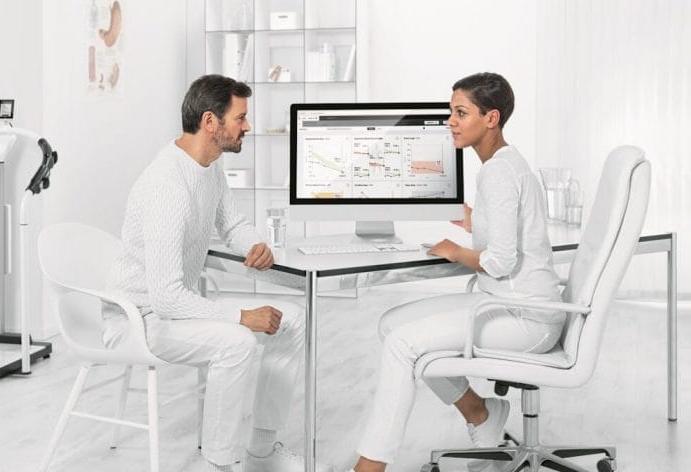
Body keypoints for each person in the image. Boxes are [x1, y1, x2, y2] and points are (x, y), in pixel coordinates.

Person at [103, 74, 331, 472]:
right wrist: (242, 318)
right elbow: (166, 297)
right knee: (236, 342)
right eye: (240, 118)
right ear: (211, 122)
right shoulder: (167, 184)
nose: (247, 126)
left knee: (292, 320)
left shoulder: (209, 168)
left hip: (177, 309)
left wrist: (254, 245)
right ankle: (219, 464)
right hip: (139, 319)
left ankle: (261, 451)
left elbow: (233, 224)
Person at [348, 72, 566, 472]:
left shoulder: (498, 172)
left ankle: (371, 464)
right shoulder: (506, 164)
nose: (450, 120)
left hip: (525, 317)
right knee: (391, 324)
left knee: (402, 344)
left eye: (460, 112)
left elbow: (499, 261)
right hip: (510, 304)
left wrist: (455, 251)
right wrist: (472, 220)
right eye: (451, 111)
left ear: (491, 118)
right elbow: (507, 231)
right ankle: (481, 415)